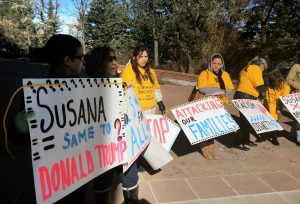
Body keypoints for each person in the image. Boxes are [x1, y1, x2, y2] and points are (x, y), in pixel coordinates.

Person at [13, 34, 86, 204]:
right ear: (68, 60)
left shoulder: (85, 88)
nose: (84, 61)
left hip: (80, 167)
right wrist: (18, 128)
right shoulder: (37, 93)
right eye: (81, 57)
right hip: (55, 175)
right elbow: (18, 138)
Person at [120, 46, 166, 203]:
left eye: (146, 56)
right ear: (134, 57)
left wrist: (160, 102)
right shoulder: (128, 71)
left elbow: (156, 88)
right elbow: (123, 90)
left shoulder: (151, 71)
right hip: (137, 112)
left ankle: (142, 161)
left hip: (151, 109)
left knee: (147, 138)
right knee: (137, 139)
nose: (144, 59)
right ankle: (136, 163)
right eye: (141, 56)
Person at [193, 54, 234, 160]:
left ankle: (211, 148)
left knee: (214, 128)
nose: (216, 66)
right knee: (206, 126)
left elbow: (230, 89)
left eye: (218, 64)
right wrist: (218, 91)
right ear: (210, 63)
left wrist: (223, 91)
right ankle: (204, 148)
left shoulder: (225, 75)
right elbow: (202, 88)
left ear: (222, 64)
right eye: (214, 63)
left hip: (219, 105)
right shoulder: (205, 73)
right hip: (206, 104)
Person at [234, 56, 268, 151]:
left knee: (248, 121)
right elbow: (259, 86)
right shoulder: (256, 69)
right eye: (264, 67)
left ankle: (245, 140)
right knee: (245, 121)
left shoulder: (246, 68)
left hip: (241, 95)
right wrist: (267, 89)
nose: (263, 69)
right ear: (261, 64)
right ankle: (238, 142)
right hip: (246, 97)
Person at [263, 69, 290, 145]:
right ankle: (265, 135)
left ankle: (274, 138)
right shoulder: (270, 80)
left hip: (276, 104)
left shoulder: (286, 86)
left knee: (274, 120)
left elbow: (283, 99)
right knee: (265, 119)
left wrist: (279, 108)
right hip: (267, 102)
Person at [286, 62, 300, 146]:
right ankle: (299, 138)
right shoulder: (296, 66)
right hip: (297, 95)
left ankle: (292, 134)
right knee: (298, 117)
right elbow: (288, 79)